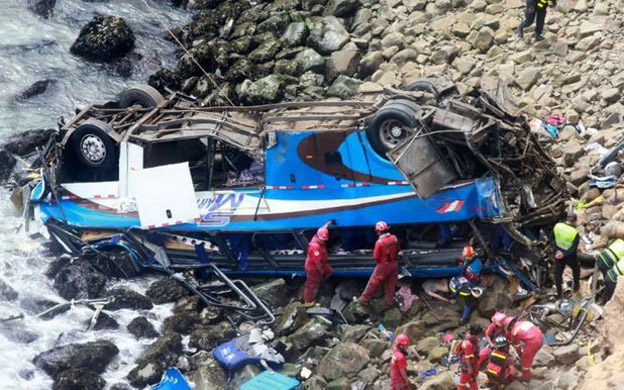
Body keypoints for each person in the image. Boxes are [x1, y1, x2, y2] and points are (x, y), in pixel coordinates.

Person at [358, 221, 400, 307]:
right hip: (394, 264)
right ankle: (389, 302)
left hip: (383, 265)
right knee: (391, 284)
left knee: (374, 282)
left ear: (378, 231)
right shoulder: (394, 238)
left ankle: (364, 299)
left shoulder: (380, 242)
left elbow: (376, 256)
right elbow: (398, 249)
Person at [303, 220, 335, 305]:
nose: (322, 241)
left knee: (329, 271)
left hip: (323, 262)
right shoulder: (315, 247)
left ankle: (323, 282)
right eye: (321, 240)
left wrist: (329, 222)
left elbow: (324, 227)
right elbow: (318, 263)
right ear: (318, 237)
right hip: (313, 268)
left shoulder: (320, 233)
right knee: (312, 284)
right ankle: (308, 302)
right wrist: (321, 271)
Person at [549, 213, 580, 300]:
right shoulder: (574, 233)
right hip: (569, 256)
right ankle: (576, 285)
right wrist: (564, 254)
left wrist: (556, 250)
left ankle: (559, 294)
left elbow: (551, 239)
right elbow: (573, 249)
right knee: (576, 268)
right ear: (574, 221)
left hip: (558, 254)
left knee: (558, 274)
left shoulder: (557, 226)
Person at [506, 317, 544, 382]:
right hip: (540, 337)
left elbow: (517, 346)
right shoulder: (524, 322)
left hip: (533, 343)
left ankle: (526, 378)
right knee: (529, 354)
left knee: (525, 362)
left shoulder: (514, 331)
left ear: (509, 327)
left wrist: (521, 355)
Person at [454, 325, 482, 390]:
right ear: (475, 335)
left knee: (472, 379)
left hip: (473, 362)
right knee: (462, 382)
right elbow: (467, 358)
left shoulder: (472, 340)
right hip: (467, 365)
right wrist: (470, 368)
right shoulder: (468, 344)